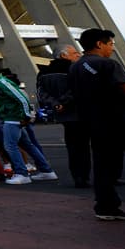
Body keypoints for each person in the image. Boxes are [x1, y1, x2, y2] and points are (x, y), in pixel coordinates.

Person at [70, 28, 125, 220]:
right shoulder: (107, 64)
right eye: (110, 44)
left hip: (95, 122)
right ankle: (108, 206)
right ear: (100, 44)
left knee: (103, 166)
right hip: (120, 120)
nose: (112, 49)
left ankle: (106, 206)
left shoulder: (75, 67)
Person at [0, 63, 57, 184]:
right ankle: (46, 171)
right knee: (27, 145)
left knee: (10, 146)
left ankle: (22, 173)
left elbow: (21, 97)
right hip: (12, 117)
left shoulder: (2, 82)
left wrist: (27, 115)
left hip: (13, 118)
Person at [38, 47, 89, 187]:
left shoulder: (43, 72)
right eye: (74, 53)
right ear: (63, 55)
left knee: (72, 147)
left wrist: (55, 104)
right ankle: (84, 176)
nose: (78, 55)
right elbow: (76, 90)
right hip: (79, 112)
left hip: (63, 115)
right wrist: (64, 102)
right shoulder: (74, 69)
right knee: (83, 147)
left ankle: (77, 176)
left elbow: (41, 93)